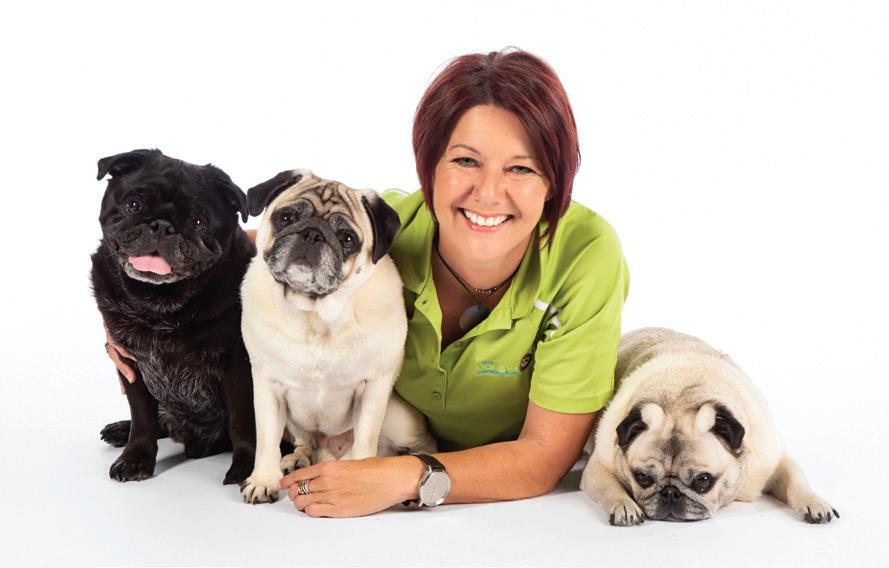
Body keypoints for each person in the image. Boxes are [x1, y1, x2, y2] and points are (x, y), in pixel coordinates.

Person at [104, 48, 629, 518]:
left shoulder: (585, 256)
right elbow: (247, 245)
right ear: (429, 167)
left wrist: (403, 479)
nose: (488, 192)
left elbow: (543, 459)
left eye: (522, 168)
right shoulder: (382, 229)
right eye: (466, 160)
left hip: (462, 477)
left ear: (555, 181)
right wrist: (139, 309)